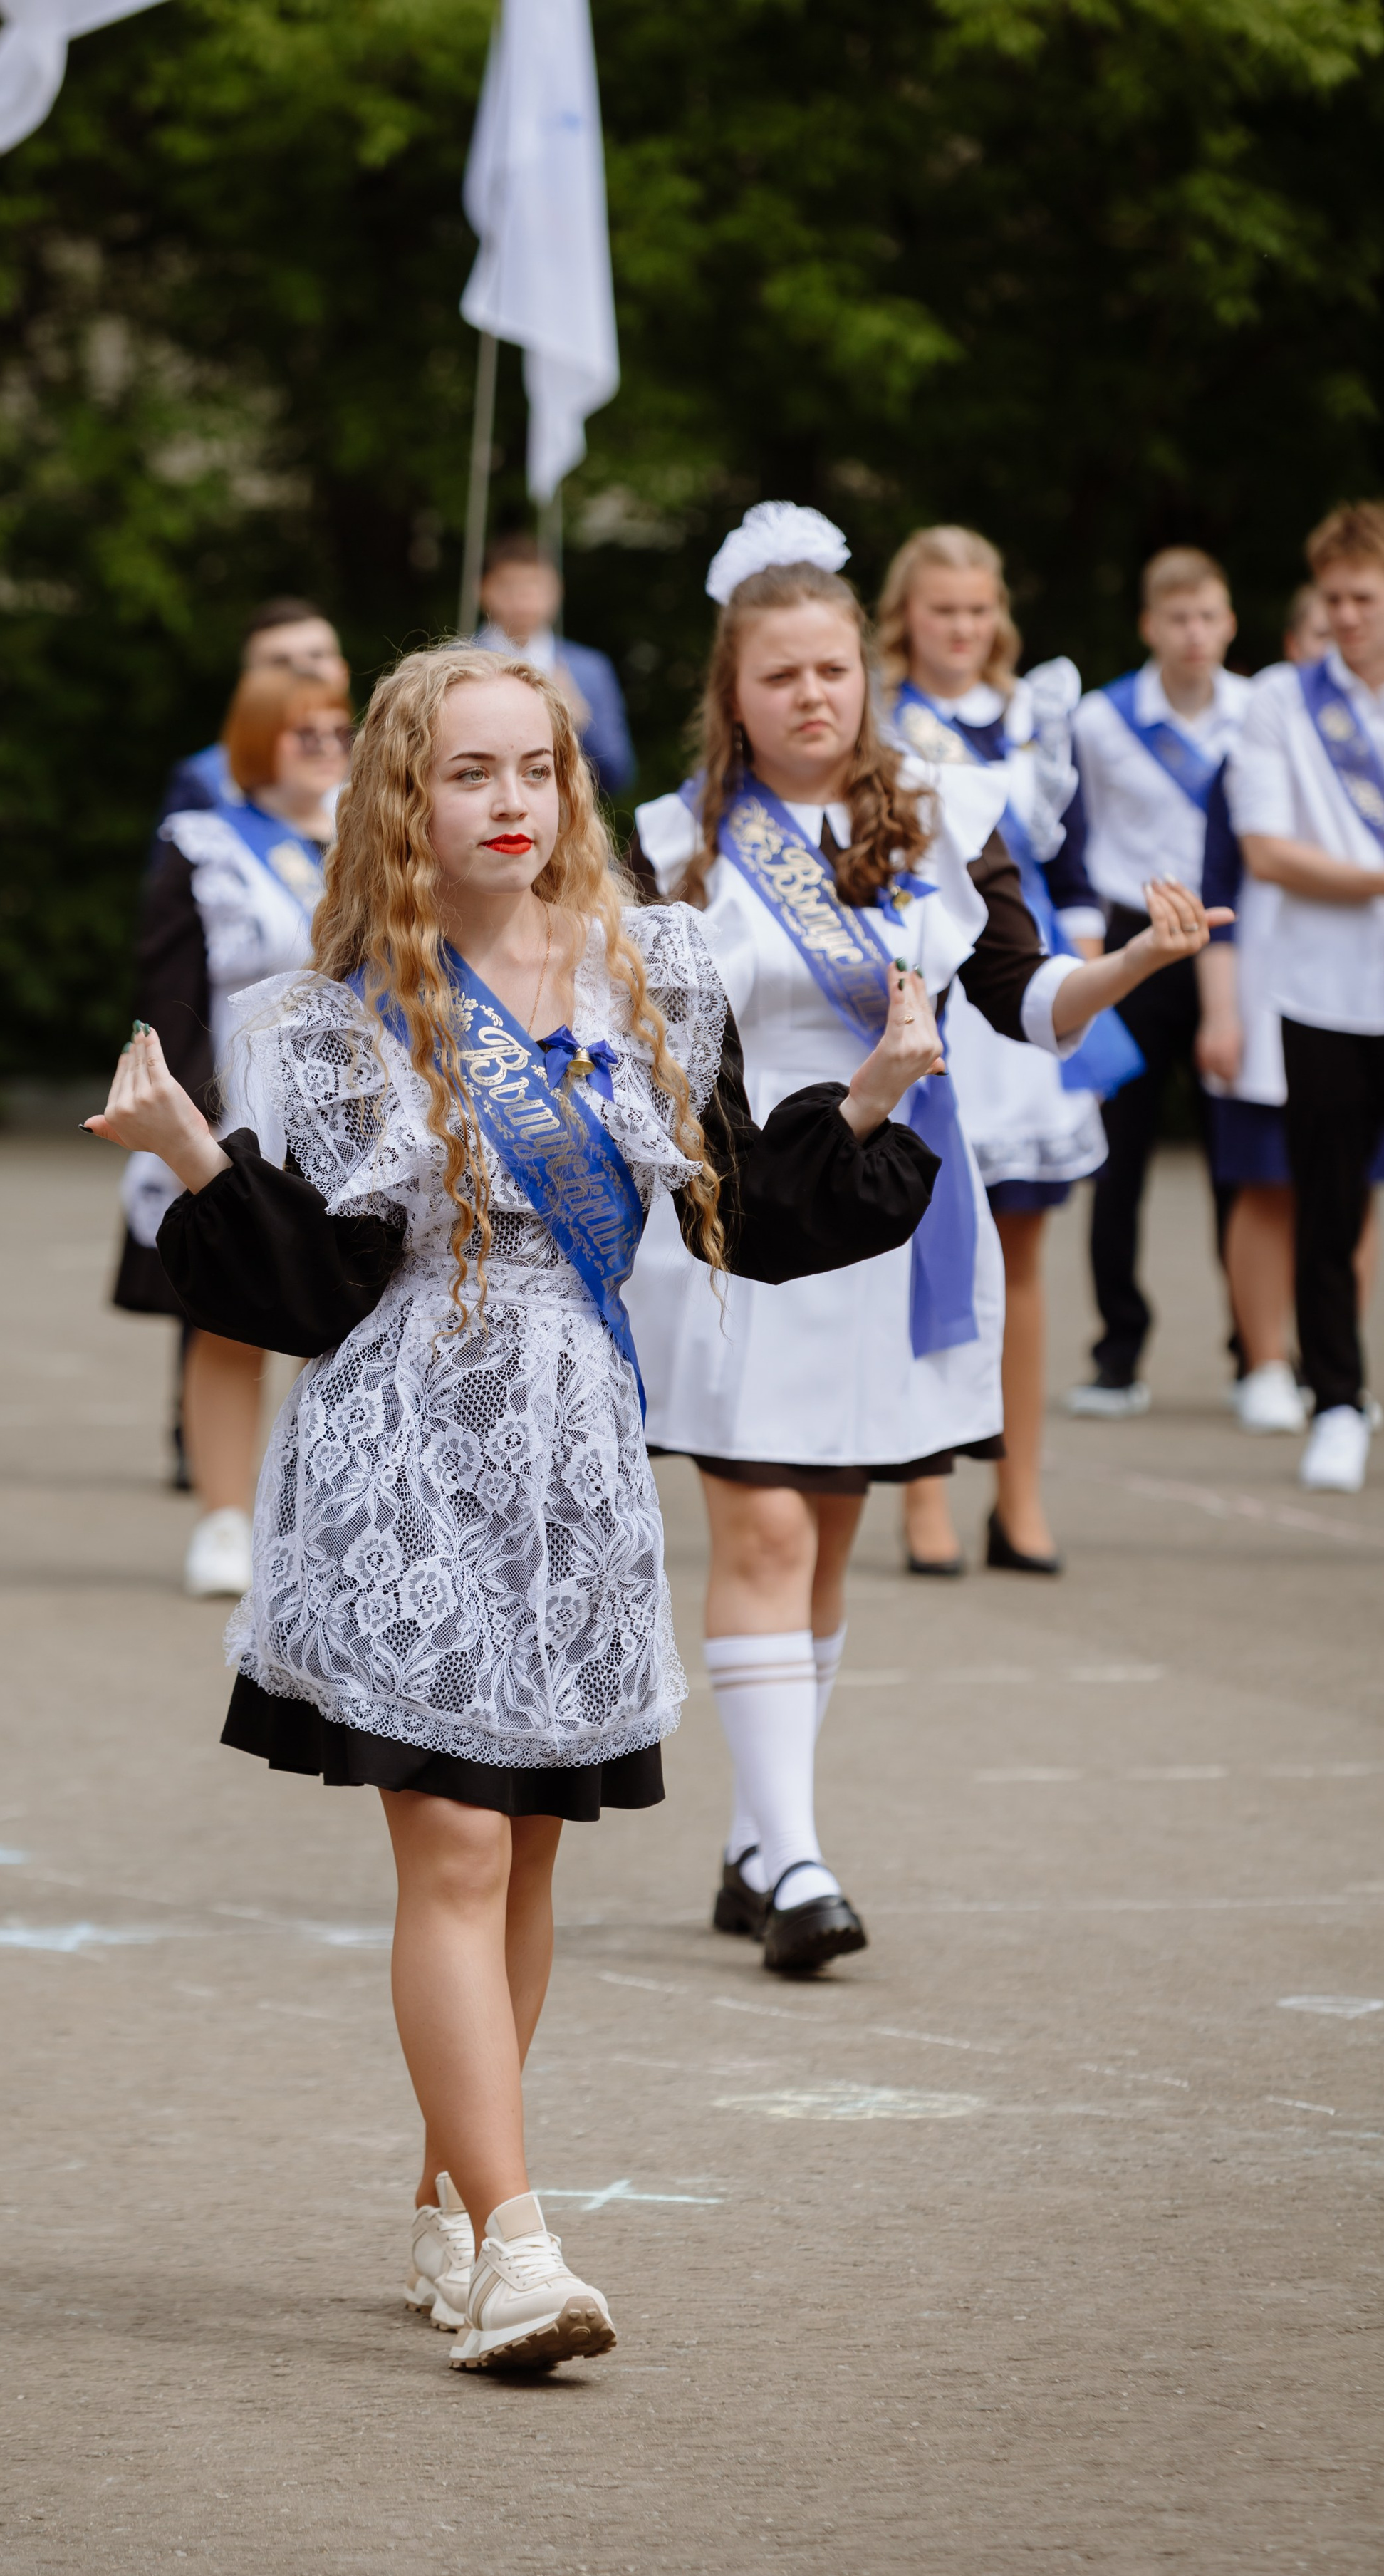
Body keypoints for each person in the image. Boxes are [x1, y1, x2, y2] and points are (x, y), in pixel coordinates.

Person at [85, 641, 944, 2369]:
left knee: (527, 1849)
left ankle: (447, 2201)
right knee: (458, 1845)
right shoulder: (331, 1020)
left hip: (574, 1467)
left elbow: (737, 1214)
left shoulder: (655, 973)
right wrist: (188, 1151)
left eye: (533, 771)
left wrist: (869, 1090)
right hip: (401, 1455)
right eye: (468, 773)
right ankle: (521, 2247)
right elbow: (315, 1291)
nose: (508, 804)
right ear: (405, 797)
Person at [623, 503, 1220, 1977]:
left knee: (823, 1540)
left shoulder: (948, 814)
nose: (811, 696)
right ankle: (801, 1867)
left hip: (895, 1225)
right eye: (779, 677)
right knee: (758, 1525)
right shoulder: (662, 846)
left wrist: (1133, 961)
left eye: (832, 670)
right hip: (740, 1220)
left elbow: (1021, 1000)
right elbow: (657, 1055)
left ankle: (761, 1835)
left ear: (863, 674)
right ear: (732, 691)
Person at [877, 524, 1131, 1575]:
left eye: (980, 612)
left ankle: (1016, 1493)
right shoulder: (882, 722)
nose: (964, 630)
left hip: (1026, 1006)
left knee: (1023, 1255)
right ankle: (924, 1488)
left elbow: (1071, 860)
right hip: (938, 1011)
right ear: (906, 618)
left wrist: (1085, 950)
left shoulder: (1039, 717)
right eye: (944, 611)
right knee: (925, 1243)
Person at [112, 663, 354, 1594]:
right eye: (307, 734)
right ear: (257, 739)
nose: (329, 749)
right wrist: (180, 1118)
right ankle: (222, 1518)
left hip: (360, 1108)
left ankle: (327, 1520)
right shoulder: (205, 842)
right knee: (230, 1321)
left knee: (358, 1318)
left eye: (341, 733)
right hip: (242, 1107)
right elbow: (169, 987)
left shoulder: (380, 837)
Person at [1066, 547, 1252, 1416]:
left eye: (1208, 617)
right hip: (1134, 946)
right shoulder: (1100, 720)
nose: (1193, 634)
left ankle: (1258, 1353)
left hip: (1230, 940)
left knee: (1238, 1158)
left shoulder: (1259, 713)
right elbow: (1074, 839)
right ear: (1150, 625)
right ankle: (1117, 1352)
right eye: (1177, 619)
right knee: (1122, 1159)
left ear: (1229, 624)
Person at [1225, 502, 1384, 1492]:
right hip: (1326, 995)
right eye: (1333, 599)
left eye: (1365, 598)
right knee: (1329, 1207)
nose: (1348, 617)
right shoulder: (1282, 701)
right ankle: (1337, 1400)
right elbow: (1268, 851)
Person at [474, 532, 635, 797]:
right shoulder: (449, 663)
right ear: (483, 590)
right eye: (509, 587)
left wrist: (582, 724)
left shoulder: (590, 669)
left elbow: (617, 775)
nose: (524, 599)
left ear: (556, 591)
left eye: (535, 586)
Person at [159, 599, 350, 819]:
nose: (302, 671)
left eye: (317, 656)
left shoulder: (379, 763)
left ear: (343, 672)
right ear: (248, 687)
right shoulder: (207, 779)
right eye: (280, 663)